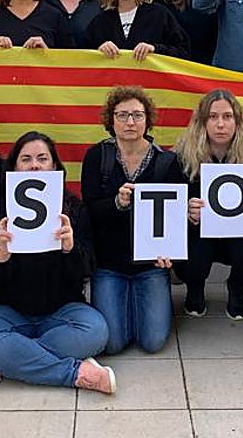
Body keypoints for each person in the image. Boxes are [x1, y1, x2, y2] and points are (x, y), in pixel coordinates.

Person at [0, 132, 115, 394]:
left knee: (97, 331)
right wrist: (0, 254)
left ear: (55, 166)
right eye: (26, 159)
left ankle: (2, 363)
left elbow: (88, 268)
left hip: (63, 311)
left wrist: (70, 249)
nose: (34, 165)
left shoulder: (75, 209)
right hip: (8, 311)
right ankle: (73, 373)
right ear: (13, 167)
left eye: (42, 158)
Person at [81, 87, 186, 355]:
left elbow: (175, 217)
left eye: (137, 115)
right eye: (123, 115)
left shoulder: (167, 162)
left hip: (150, 266)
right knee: (113, 344)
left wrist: (171, 255)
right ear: (111, 120)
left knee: (152, 342)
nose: (130, 122)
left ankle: (143, 298)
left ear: (147, 121)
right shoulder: (97, 157)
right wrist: (118, 204)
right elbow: (90, 210)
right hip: (109, 264)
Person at [173, 90, 243, 320]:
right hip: (198, 233)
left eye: (227, 117)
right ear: (202, 122)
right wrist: (185, 211)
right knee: (189, 259)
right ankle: (195, 287)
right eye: (213, 117)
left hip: (240, 233)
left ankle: (237, 288)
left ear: (237, 121)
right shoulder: (182, 156)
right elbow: (170, 206)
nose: (220, 124)